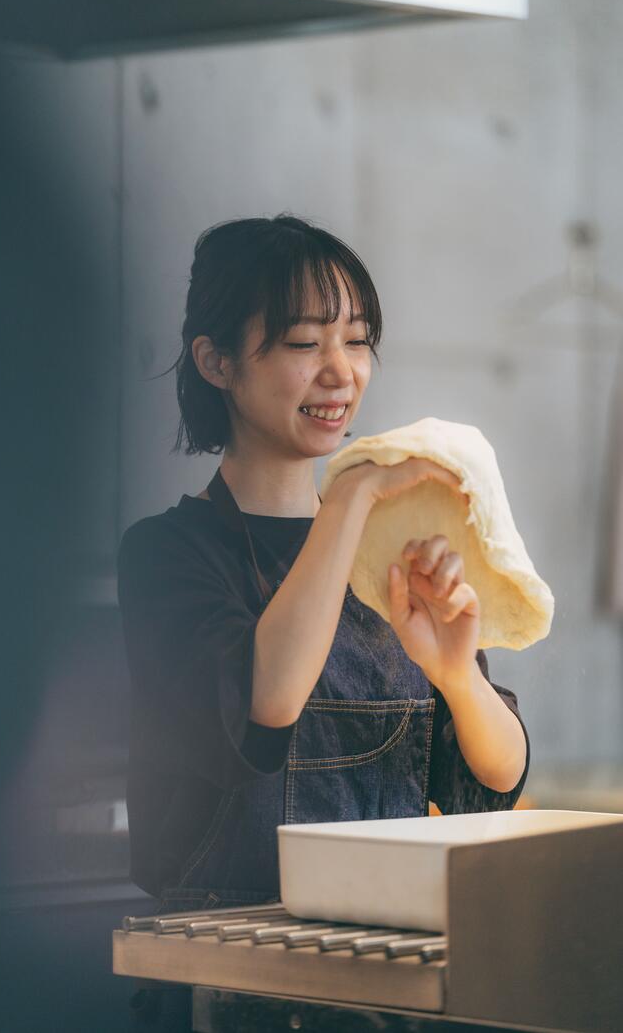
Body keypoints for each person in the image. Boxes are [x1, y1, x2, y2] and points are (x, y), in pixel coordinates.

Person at [117, 214, 529, 922]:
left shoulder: (392, 551)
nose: (341, 372)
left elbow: (493, 784)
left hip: (378, 940)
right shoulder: (168, 554)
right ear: (217, 362)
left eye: (357, 340)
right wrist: (352, 495)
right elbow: (264, 709)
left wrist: (458, 675)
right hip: (221, 957)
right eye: (305, 343)